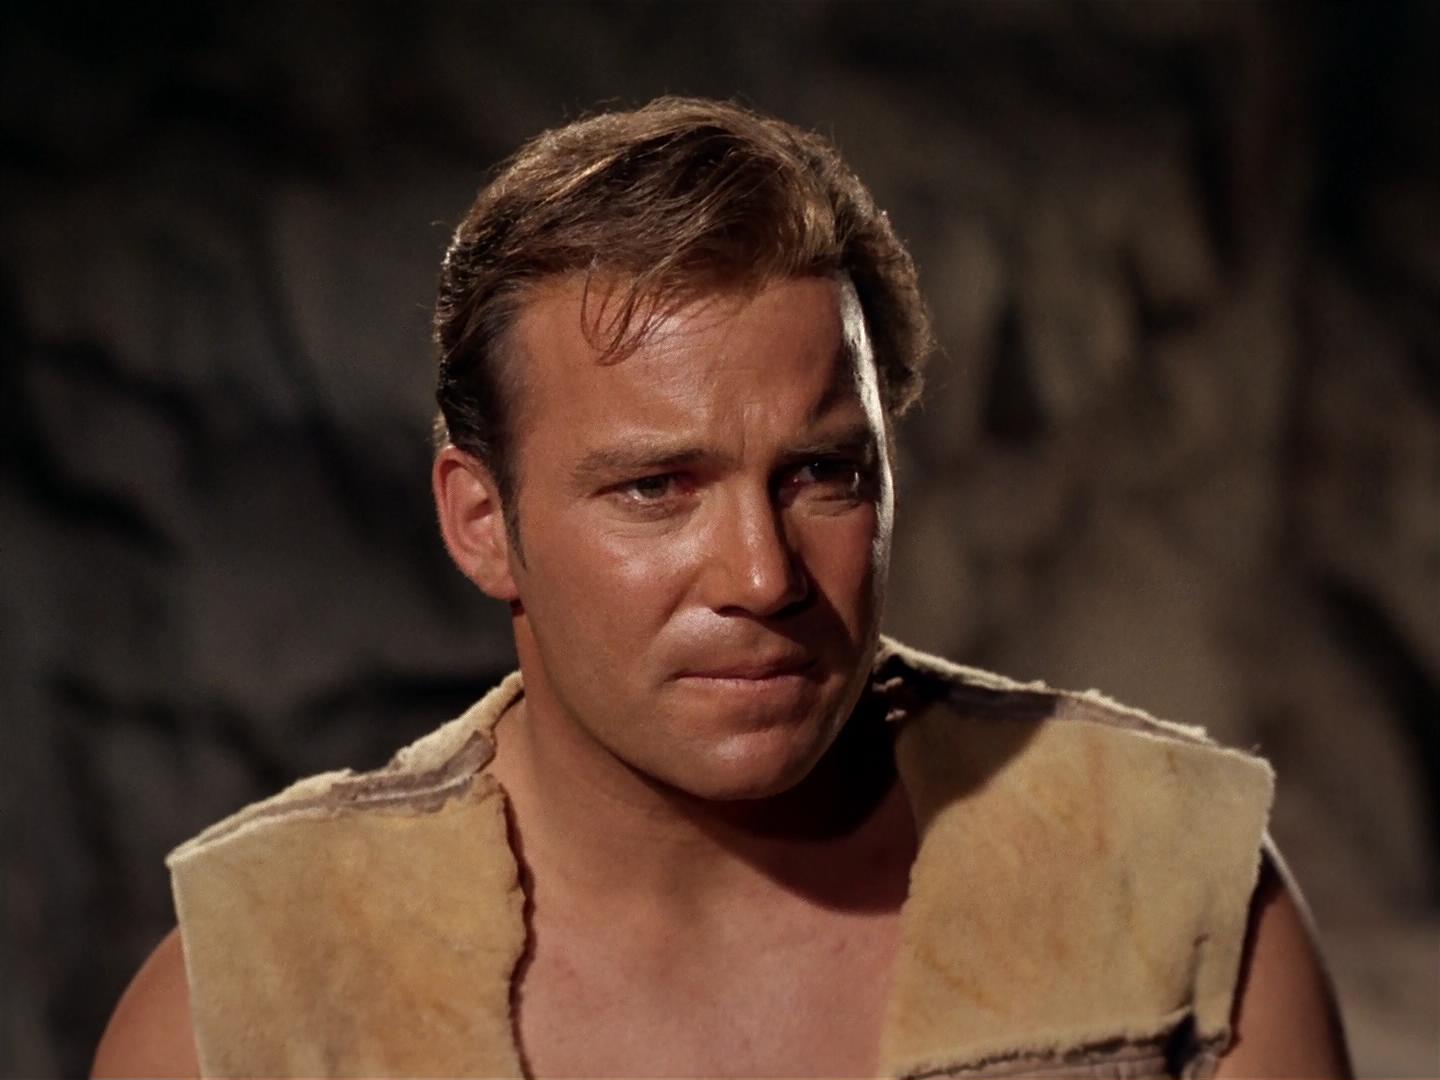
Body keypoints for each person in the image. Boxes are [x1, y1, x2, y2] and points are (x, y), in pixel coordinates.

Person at [93, 97, 1352, 1079]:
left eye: (822, 474)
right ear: (482, 522)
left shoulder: (1172, 894)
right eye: (657, 487)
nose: (761, 574)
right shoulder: (254, 999)